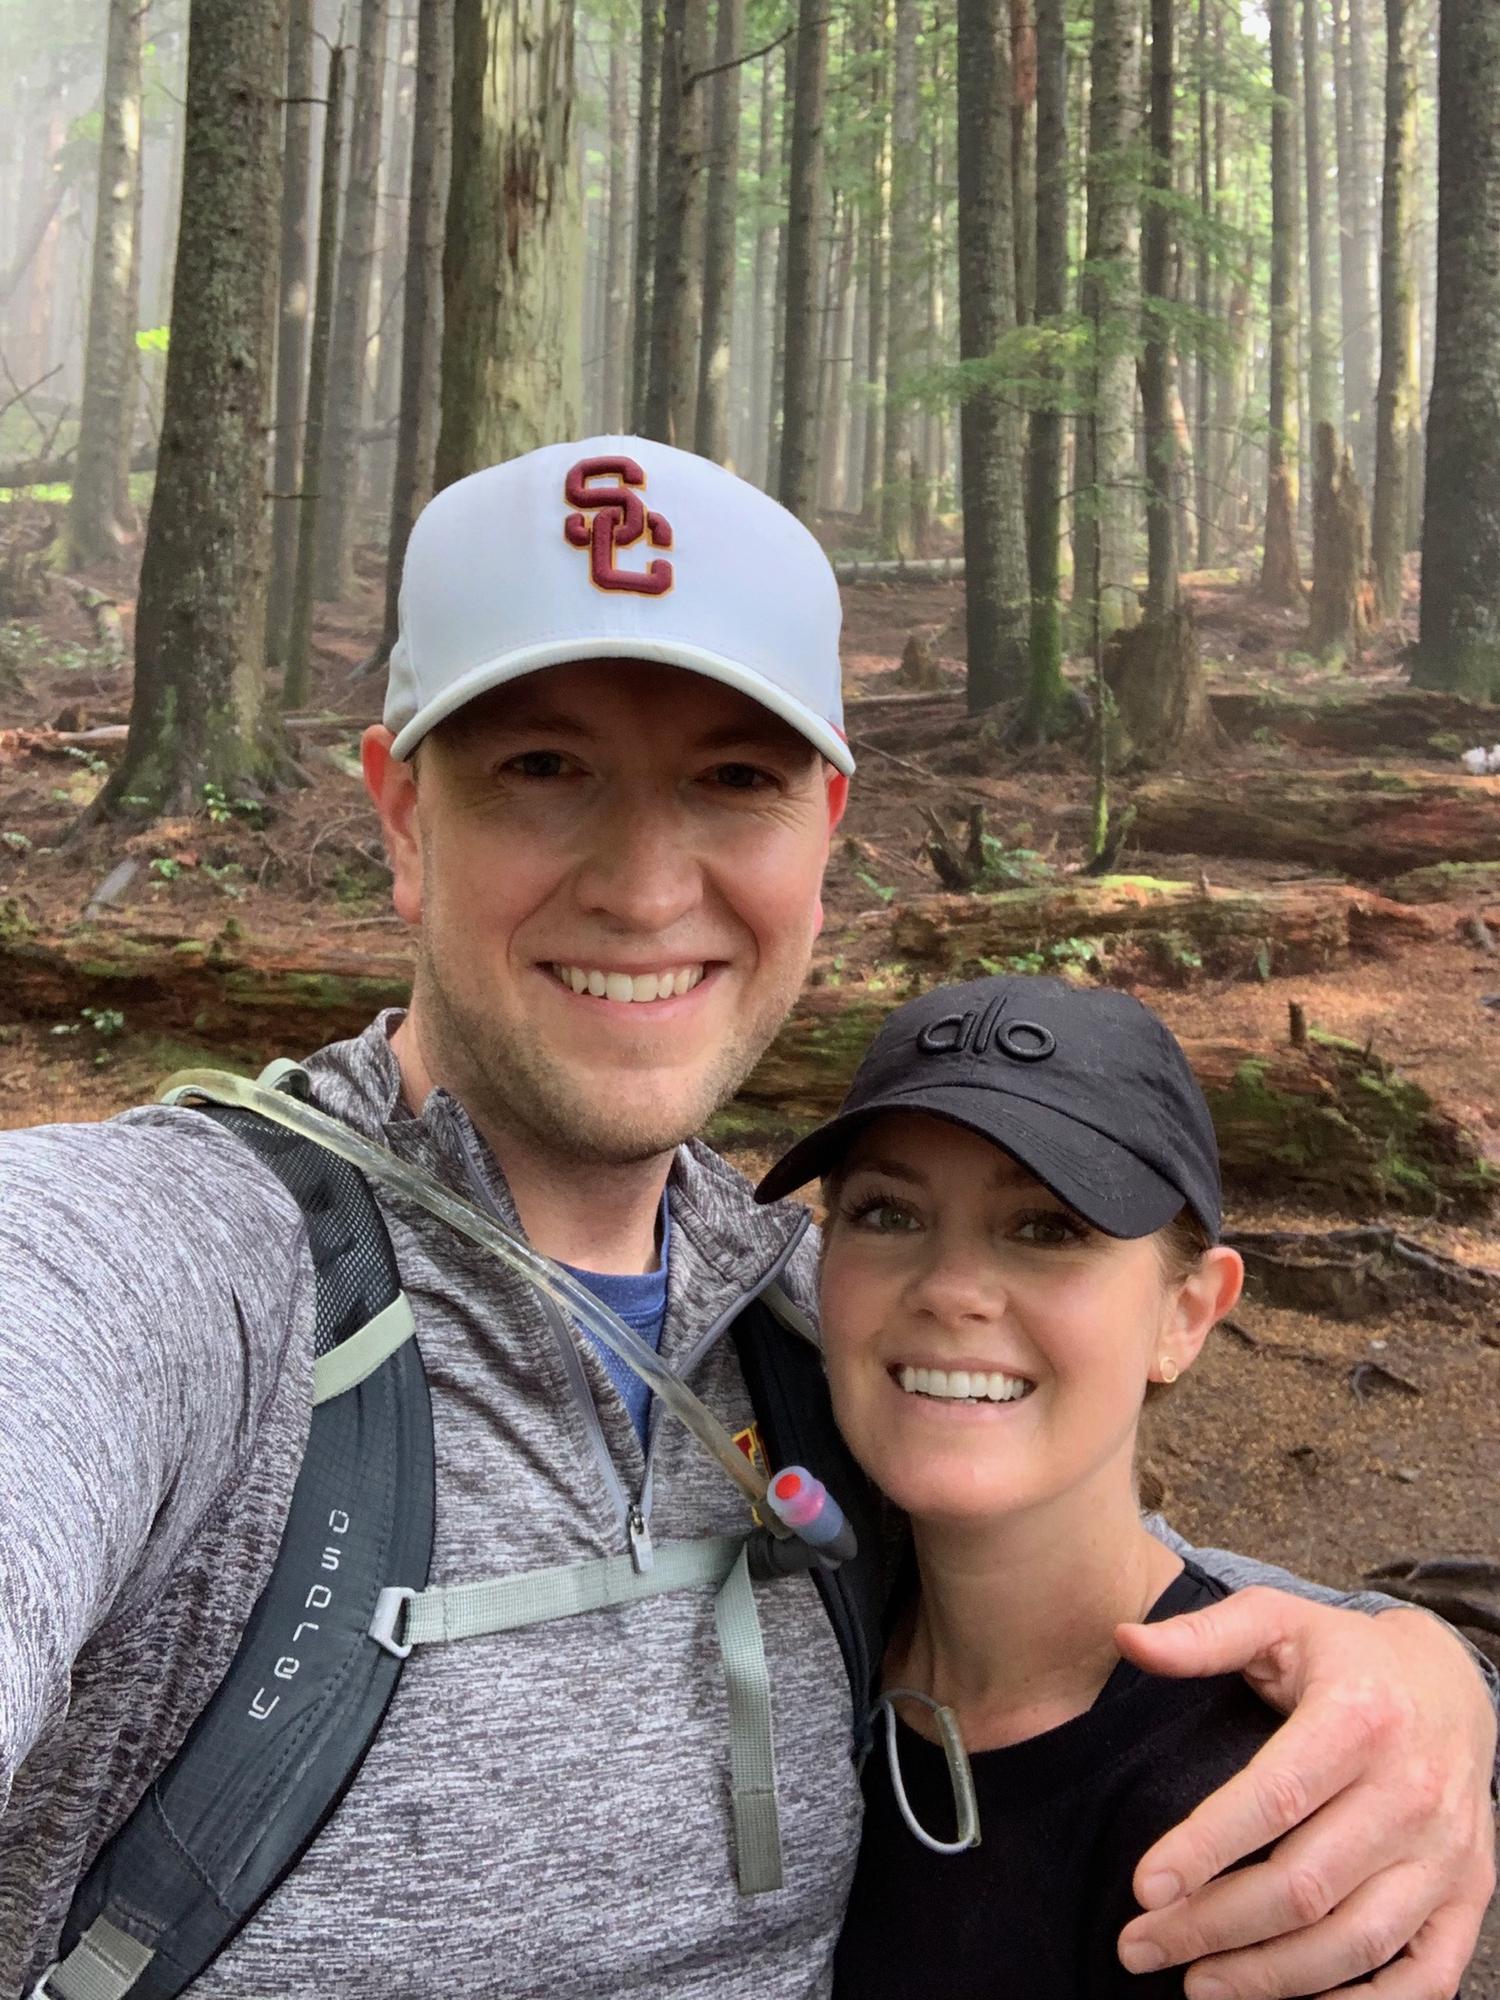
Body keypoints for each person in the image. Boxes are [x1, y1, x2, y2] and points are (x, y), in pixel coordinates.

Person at [0, 438, 1494, 2000]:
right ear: (400, 815)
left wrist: (1437, 1678)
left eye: (733, 780)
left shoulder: (817, 1319)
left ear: (827, 829)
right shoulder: (180, 1272)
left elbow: (1108, 1582)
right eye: (542, 768)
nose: (648, 890)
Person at [754, 974, 1386, 1995]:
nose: (953, 1287)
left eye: (1047, 1226)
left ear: (1187, 1312)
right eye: (886, 1210)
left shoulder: (1253, 1828)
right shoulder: (820, 1638)